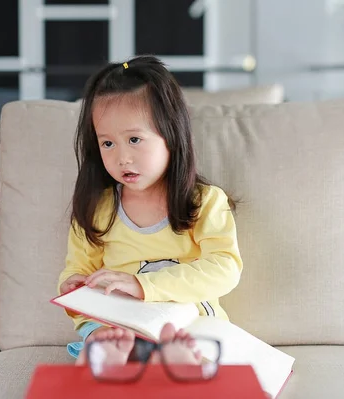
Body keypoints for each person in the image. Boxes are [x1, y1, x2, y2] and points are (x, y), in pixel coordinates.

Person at [57, 55, 243, 362]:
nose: (122, 157)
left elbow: (224, 268)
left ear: (171, 135)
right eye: (107, 144)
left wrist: (142, 285)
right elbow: (79, 269)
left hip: (188, 326)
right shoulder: (96, 209)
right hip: (120, 326)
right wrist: (74, 287)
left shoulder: (204, 202)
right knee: (97, 344)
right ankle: (113, 363)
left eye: (134, 139)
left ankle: (172, 364)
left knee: (185, 350)